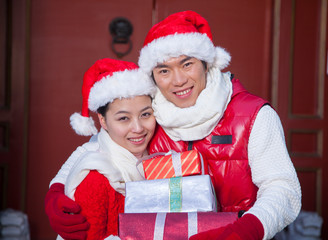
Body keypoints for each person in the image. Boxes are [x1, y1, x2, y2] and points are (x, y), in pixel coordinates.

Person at [45, 11, 301, 240]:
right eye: (164, 70)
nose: (178, 81)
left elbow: (283, 188)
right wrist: (56, 189)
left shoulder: (254, 114)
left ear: (205, 62)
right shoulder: (151, 111)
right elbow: (98, 147)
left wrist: (247, 230)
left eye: (187, 64)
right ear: (153, 76)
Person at [48, 58, 157, 239]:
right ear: (103, 121)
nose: (138, 128)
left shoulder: (158, 147)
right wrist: (55, 192)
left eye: (145, 114)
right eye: (124, 118)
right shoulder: (96, 177)